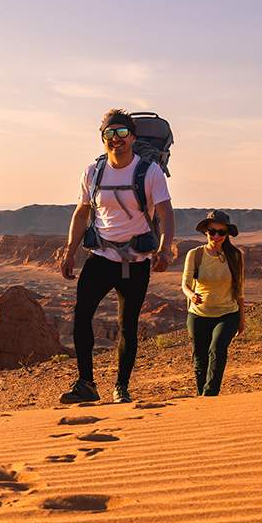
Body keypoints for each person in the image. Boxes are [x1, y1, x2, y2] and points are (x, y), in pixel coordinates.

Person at [60, 109, 175, 404]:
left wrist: (164, 248)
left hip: (135, 261)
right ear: (103, 140)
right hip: (100, 256)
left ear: (133, 138)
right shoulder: (92, 171)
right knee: (81, 316)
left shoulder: (150, 172)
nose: (116, 139)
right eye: (109, 134)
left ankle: (121, 387)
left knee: (128, 326)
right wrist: (71, 252)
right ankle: (86, 383)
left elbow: (165, 212)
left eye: (122, 133)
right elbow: (82, 212)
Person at [182, 210, 245, 396]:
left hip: (227, 313)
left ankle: (211, 394)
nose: (216, 236)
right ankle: (202, 397)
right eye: (212, 231)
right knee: (200, 359)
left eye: (221, 232)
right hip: (199, 314)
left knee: (217, 349)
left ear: (227, 234)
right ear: (205, 232)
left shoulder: (235, 255)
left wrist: (241, 319)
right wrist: (191, 294)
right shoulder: (195, 254)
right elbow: (185, 283)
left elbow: (239, 290)